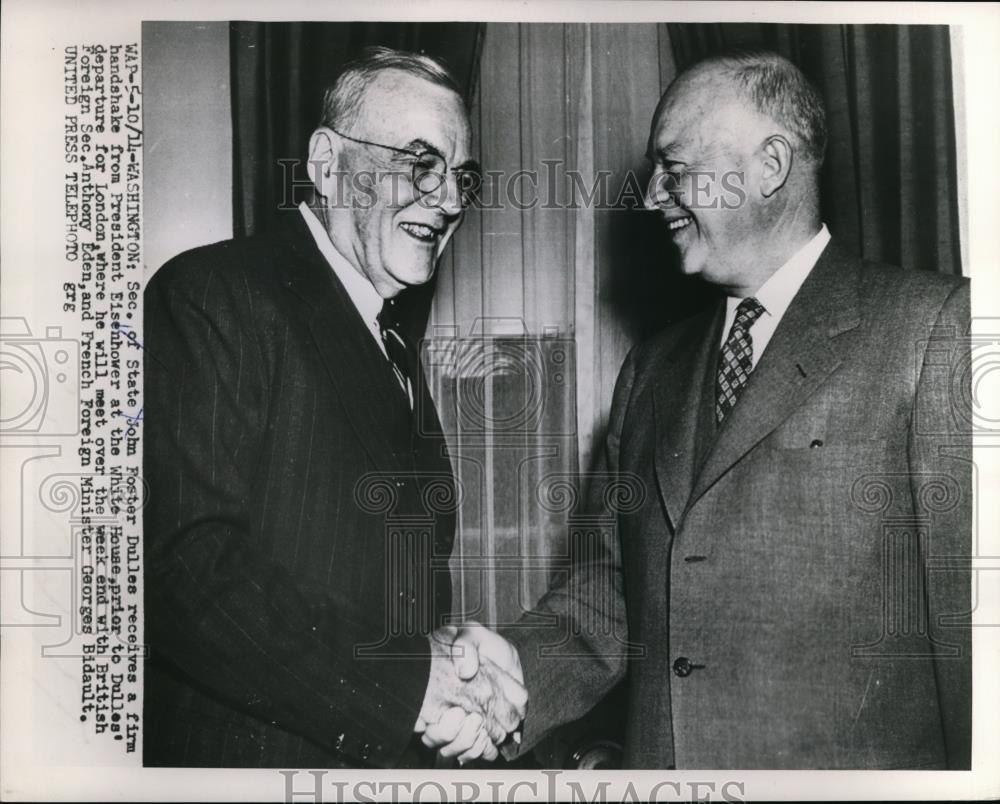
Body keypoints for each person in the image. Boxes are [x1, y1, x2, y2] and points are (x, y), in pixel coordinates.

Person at [432, 49, 972, 769]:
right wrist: (509, 670)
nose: (654, 195)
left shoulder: (933, 331)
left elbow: (975, 641)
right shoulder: (652, 369)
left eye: (675, 167)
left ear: (770, 165)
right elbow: (606, 597)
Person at [142, 46, 525, 769]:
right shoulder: (216, 296)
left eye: (461, 178)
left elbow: (370, 584)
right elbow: (184, 567)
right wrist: (413, 682)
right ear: (326, 162)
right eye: (419, 163)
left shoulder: (387, 341)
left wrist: (453, 656)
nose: (447, 201)